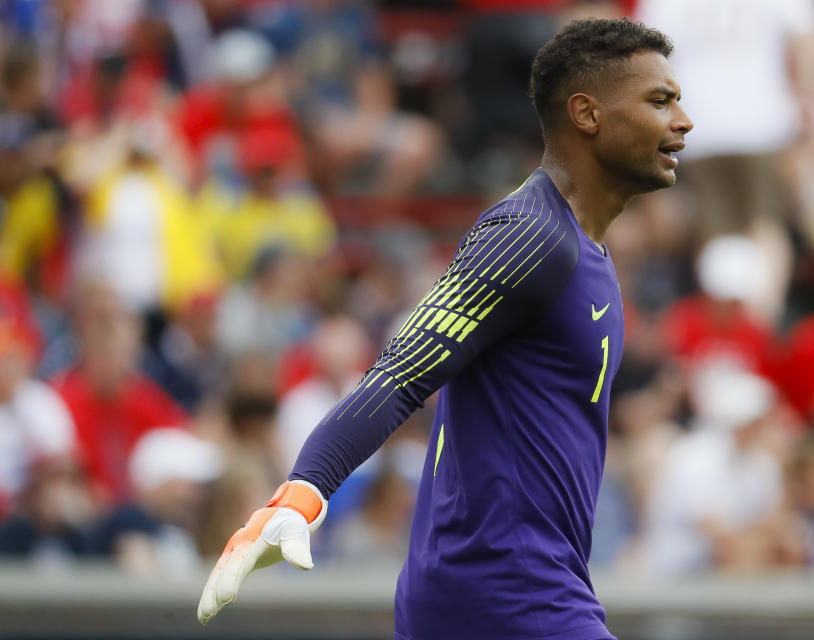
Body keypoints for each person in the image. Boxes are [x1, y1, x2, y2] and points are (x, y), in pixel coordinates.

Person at [197, 18, 693, 640]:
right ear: (587, 114)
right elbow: (402, 373)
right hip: (507, 597)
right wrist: (302, 493)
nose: (683, 120)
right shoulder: (530, 237)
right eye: (659, 100)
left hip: (511, 593)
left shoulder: (581, 249)